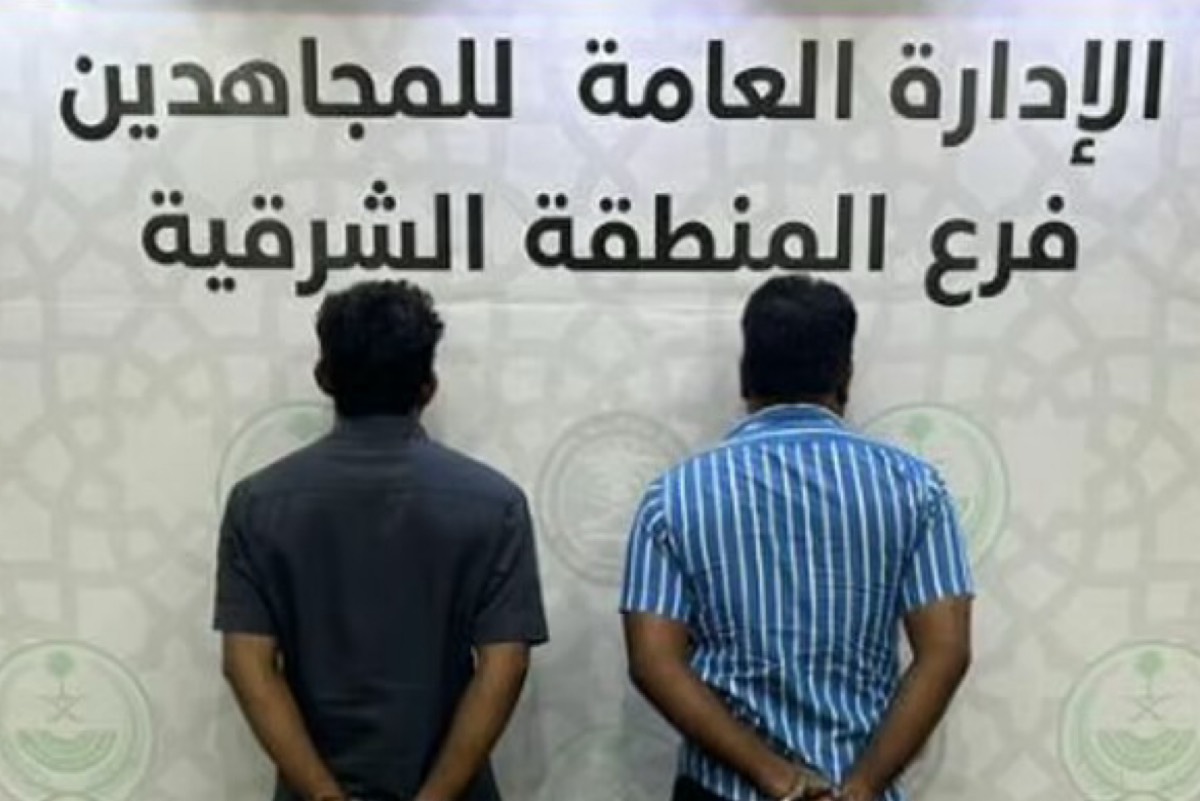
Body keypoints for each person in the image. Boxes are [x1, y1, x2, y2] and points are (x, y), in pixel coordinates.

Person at [620, 276, 974, 801]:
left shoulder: (673, 497)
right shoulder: (915, 489)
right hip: (858, 786)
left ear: (745, 374)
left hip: (721, 790)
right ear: (845, 375)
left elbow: (654, 662)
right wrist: (863, 786)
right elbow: (945, 652)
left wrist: (775, 776)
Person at [214, 280, 548, 801]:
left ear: (324, 377)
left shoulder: (257, 504)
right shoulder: (495, 505)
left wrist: (325, 795)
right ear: (429, 386)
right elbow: (506, 665)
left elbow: (247, 665)